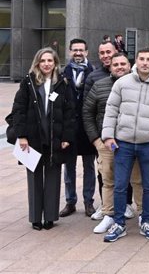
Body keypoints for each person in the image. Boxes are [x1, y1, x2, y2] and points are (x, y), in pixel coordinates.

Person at [101, 48, 149, 242]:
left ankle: (147, 220)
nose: (145, 63)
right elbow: (111, 110)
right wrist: (108, 135)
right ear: (136, 62)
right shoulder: (122, 83)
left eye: (148, 59)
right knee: (119, 184)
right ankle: (119, 223)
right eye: (141, 59)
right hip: (123, 143)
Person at [12, 47, 75, 230]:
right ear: (37, 63)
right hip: (33, 138)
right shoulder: (28, 82)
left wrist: (66, 137)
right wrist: (21, 135)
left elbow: (70, 112)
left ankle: (50, 217)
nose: (46, 64)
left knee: (53, 177)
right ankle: (35, 218)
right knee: (34, 177)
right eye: (43, 61)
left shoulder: (63, 82)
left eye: (50, 61)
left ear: (55, 63)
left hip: (55, 137)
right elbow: (18, 110)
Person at [83, 52, 142, 234]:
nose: (119, 67)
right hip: (107, 143)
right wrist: (96, 140)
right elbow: (87, 112)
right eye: (115, 64)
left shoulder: (140, 85)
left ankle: (143, 215)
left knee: (137, 180)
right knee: (108, 180)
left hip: (133, 142)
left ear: (129, 65)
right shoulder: (99, 86)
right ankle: (109, 215)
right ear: (110, 66)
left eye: (123, 64)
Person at [60, 38, 97, 218]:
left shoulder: (94, 72)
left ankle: (88, 202)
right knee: (69, 166)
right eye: (75, 50)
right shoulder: (61, 73)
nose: (78, 53)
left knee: (89, 166)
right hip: (69, 128)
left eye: (81, 50)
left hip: (88, 128)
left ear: (87, 52)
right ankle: (70, 201)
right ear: (70, 52)